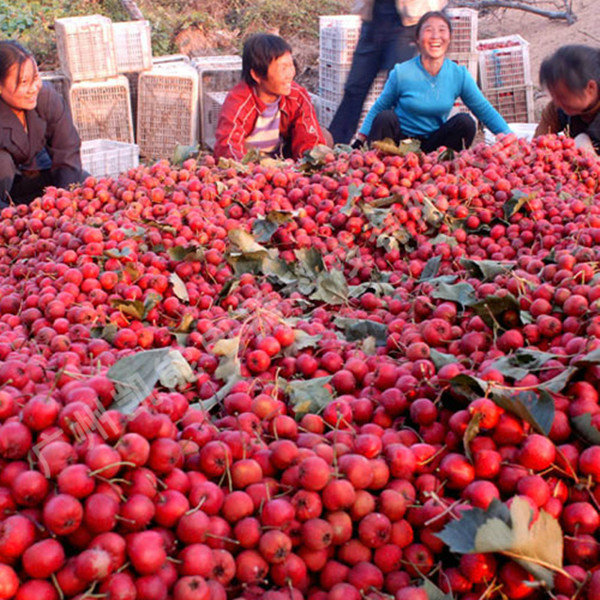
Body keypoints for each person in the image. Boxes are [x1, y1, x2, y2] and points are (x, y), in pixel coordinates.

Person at [356, 11, 511, 153]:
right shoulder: (401, 72)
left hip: (434, 146)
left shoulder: (458, 74)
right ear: (417, 38)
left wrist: (510, 139)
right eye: (428, 30)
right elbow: (379, 107)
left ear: (449, 38)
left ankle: (444, 171)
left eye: (442, 30)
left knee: (466, 122)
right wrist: (359, 140)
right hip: (399, 144)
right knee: (385, 117)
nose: (435, 36)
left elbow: (483, 109)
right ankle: (381, 169)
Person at [328, 0, 448, 146]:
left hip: (408, 20)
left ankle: (384, 151)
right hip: (374, 19)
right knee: (354, 88)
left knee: (396, 92)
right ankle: (334, 148)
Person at [213, 34, 327, 161]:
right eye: (283, 68)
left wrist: (308, 166)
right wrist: (244, 172)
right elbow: (228, 146)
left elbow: (309, 139)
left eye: (291, 65)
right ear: (257, 75)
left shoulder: (297, 97)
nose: (290, 74)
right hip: (250, 166)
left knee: (324, 137)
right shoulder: (238, 101)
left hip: (282, 161)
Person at [0, 40, 84, 206]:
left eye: (36, 77)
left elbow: (67, 149)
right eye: (24, 82)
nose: (34, 88)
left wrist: (65, 201)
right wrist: (11, 218)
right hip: (7, 185)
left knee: (80, 180)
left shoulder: (45, 97)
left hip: (39, 174)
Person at [535, 45, 600, 155]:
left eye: (562, 97)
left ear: (591, 88)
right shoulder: (557, 109)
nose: (557, 104)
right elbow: (538, 144)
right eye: (554, 96)